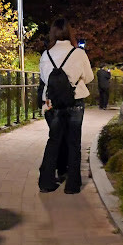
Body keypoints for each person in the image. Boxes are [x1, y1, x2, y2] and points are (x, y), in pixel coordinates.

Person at [38, 17, 94, 194]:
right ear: (69, 32)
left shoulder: (46, 55)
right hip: (75, 101)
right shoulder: (78, 53)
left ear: (53, 33)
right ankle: (72, 185)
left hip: (53, 102)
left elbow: (44, 78)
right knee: (74, 142)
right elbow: (89, 76)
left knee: (54, 140)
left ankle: (46, 182)